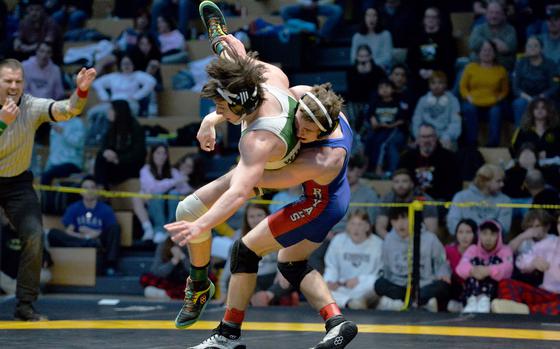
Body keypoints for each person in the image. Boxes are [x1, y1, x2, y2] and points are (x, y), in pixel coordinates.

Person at [165, 3, 348, 343]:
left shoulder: (267, 142)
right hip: (288, 175)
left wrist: (202, 226)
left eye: (221, 107)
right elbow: (240, 64)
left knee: (229, 240)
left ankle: (225, 332)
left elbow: (240, 191)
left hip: (302, 189)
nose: (217, 111)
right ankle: (336, 323)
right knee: (288, 263)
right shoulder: (278, 83)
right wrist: (212, 117)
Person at [0, 58, 96, 320]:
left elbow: (67, 110)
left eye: (18, 81)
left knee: (34, 235)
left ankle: (25, 305)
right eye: (8, 80)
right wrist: (1, 122)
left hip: (18, 182)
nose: (14, 86)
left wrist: (81, 91)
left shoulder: (31, 106)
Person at [374, 207, 451, 312]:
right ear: (391, 222)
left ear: (414, 219)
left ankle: (406, 303)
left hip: (424, 284)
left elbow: (441, 262)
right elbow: (386, 266)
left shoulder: (430, 238)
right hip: (400, 285)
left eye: (404, 218)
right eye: (395, 220)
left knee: (443, 286)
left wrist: (443, 274)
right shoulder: (389, 239)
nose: (400, 224)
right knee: (379, 284)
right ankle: (418, 303)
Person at [47, 176, 121, 276]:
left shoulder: (106, 209)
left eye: (92, 187)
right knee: (53, 233)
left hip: (98, 240)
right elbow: (69, 231)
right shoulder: (74, 208)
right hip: (80, 240)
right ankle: (89, 243)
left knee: (115, 228)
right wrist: (85, 237)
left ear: (97, 190)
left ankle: (110, 265)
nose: (89, 190)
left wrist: (94, 234)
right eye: (86, 187)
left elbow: (109, 232)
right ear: (80, 191)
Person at [324, 210, 383, 309]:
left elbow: (380, 274)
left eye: (360, 224)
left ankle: (358, 302)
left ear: (367, 227)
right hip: (341, 287)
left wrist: (359, 280)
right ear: (347, 226)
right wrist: (330, 281)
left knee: (377, 284)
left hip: (365, 288)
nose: (356, 228)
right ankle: (350, 303)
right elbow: (331, 266)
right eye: (352, 224)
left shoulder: (378, 244)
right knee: (322, 289)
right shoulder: (338, 240)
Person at [456, 220, 513, 313]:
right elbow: (460, 267)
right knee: (475, 262)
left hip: (494, 294)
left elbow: (508, 268)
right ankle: (472, 300)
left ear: (499, 236)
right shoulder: (473, 249)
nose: (488, 238)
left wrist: (489, 270)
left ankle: (484, 299)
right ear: (479, 235)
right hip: (472, 292)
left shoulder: (505, 250)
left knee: (495, 261)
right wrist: (472, 270)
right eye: (484, 234)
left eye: (492, 234)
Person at [460, 40, 509, 147]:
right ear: (479, 53)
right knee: (469, 109)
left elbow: (504, 90)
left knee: (496, 111)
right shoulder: (471, 67)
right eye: (484, 50)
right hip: (473, 102)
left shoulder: (501, 70)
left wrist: (498, 98)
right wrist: (468, 97)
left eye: (490, 50)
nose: (487, 53)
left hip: (493, 103)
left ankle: (492, 145)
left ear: (495, 53)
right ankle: (472, 144)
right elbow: (463, 87)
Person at [447, 164, 513, 236]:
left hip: (491, 243)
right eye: (498, 181)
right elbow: (453, 224)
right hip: (466, 241)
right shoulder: (460, 197)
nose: (502, 184)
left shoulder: (505, 200)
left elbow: (504, 228)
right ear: (485, 181)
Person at [411, 71, 461, 151]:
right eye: (433, 83)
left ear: (445, 85)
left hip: (446, 136)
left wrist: (447, 136)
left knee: (449, 147)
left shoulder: (453, 100)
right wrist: (419, 136)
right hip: (426, 135)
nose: (436, 86)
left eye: (440, 83)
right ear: (429, 85)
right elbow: (416, 120)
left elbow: (455, 123)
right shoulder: (423, 100)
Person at [445, 219, 478, 313]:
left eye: (468, 232)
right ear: (456, 234)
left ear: (475, 234)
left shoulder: (479, 251)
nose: (464, 236)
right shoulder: (448, 250)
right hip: (453, 287)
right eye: (460, 232)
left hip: (472, 288)